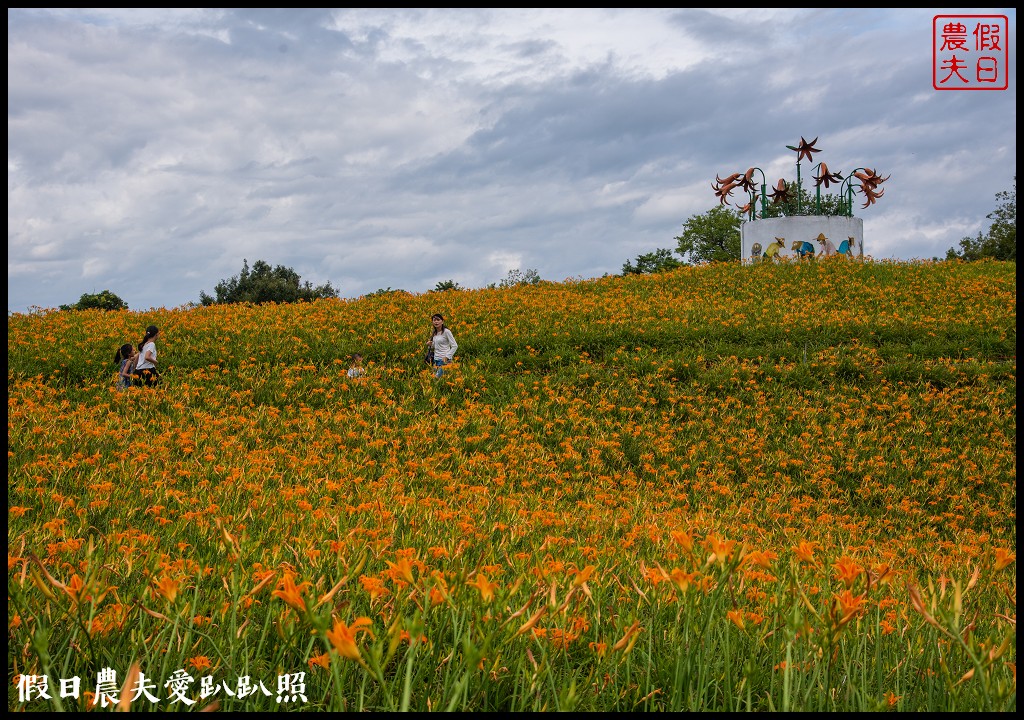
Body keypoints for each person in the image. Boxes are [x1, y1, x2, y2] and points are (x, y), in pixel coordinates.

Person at [427, 313, 458, 378]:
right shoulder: (434, 333)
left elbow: (455, 346)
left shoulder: (446, 332)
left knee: (436, 379)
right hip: (436, 360)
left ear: (442, 321)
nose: (436, 322)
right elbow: (437, 346)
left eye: (438, 320)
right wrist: (431, 344)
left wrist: (447, 357)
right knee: (435, 380)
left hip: (444, 360)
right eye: (434, 320)